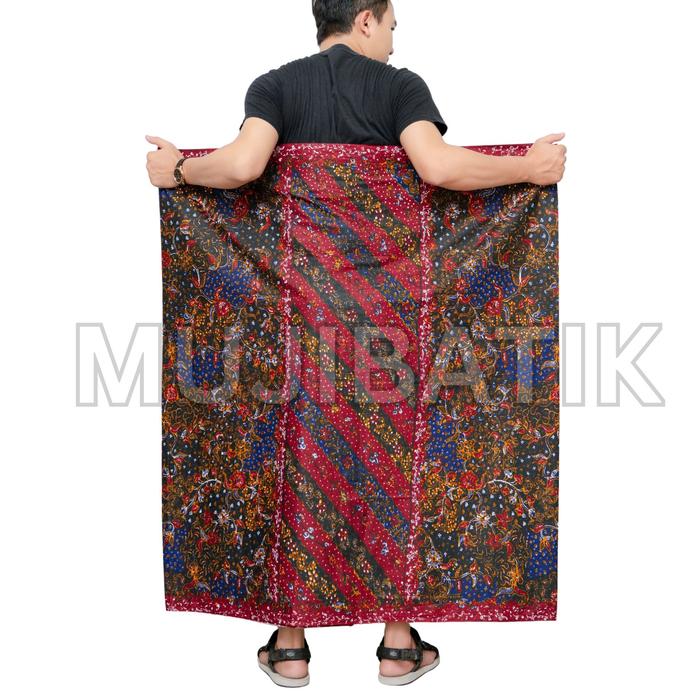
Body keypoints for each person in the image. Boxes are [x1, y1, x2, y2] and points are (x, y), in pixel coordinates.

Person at [146, 0, 566, 687]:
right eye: (393, 26)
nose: (395, 42)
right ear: (366, 19)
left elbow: (245, 165)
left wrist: (180, 171)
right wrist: (529, 168)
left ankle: (290, 645)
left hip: (301, 318)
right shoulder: (400, 88)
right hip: (395, 321)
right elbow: (438, 168)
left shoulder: (276, 86)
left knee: (300, 454)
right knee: (393, 458)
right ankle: (397, 645)